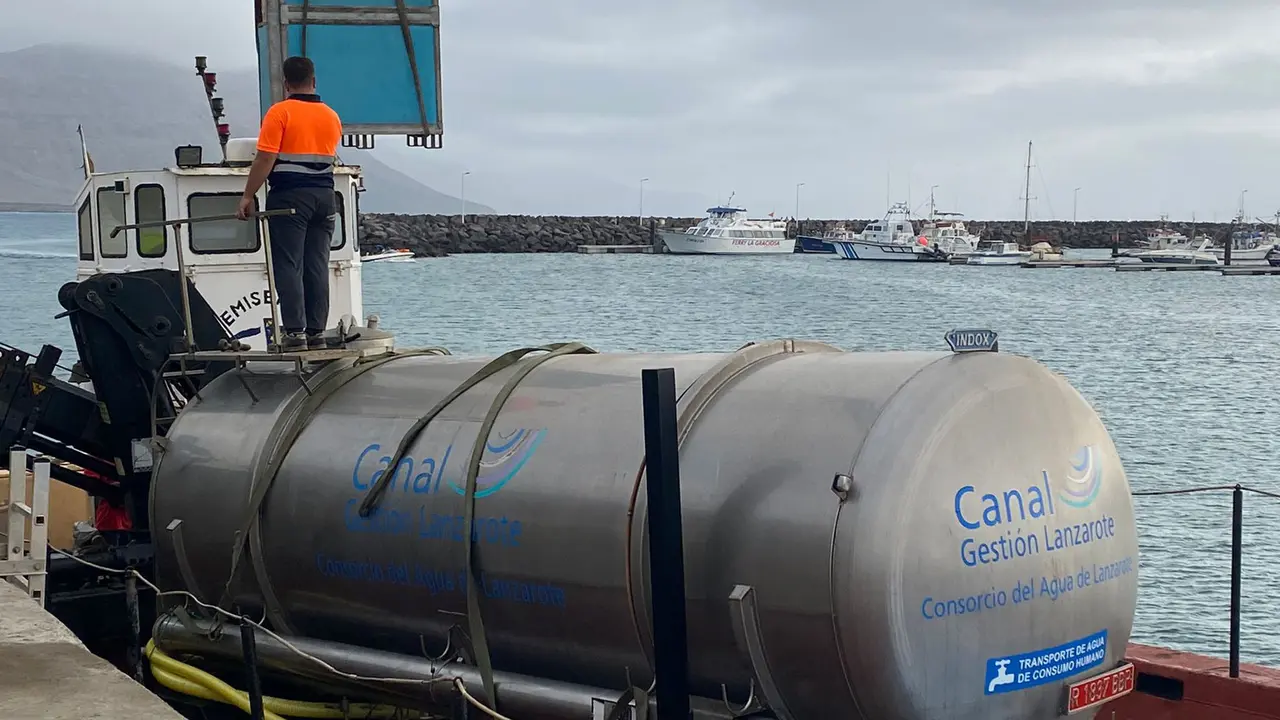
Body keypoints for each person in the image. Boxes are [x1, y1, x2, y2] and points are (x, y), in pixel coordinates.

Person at [236, 56, 343, 351]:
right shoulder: (331, 116)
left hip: (290, 198)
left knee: (289, 264)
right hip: (325, 198)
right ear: (314, 81)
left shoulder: (279, 112)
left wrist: (247, 195)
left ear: (285, 83)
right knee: (318, 265)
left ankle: (294, 333)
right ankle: (316, 333)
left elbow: (266, 157)